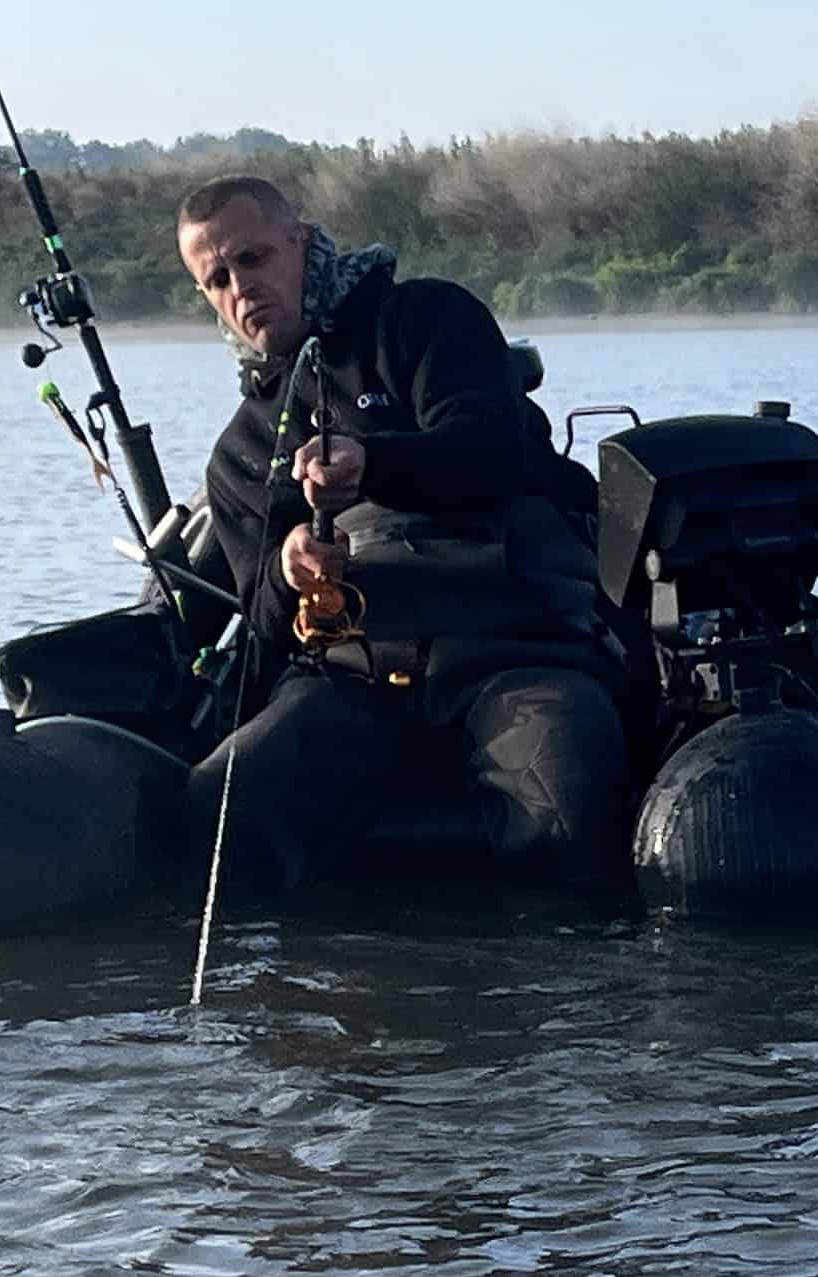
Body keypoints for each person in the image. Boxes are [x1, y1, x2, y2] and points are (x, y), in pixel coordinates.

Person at [170, 174, 636, 898]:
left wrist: (374, 464)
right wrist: (289, 572)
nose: (242, 288)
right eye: (218, 278)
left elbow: (491, 453)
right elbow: (259, 624)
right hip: (349, 677)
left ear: (300, 242)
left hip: (515, 652)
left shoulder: (425, 319)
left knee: (572, 815)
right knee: (220, 812)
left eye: (255, 259)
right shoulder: (240, 453)